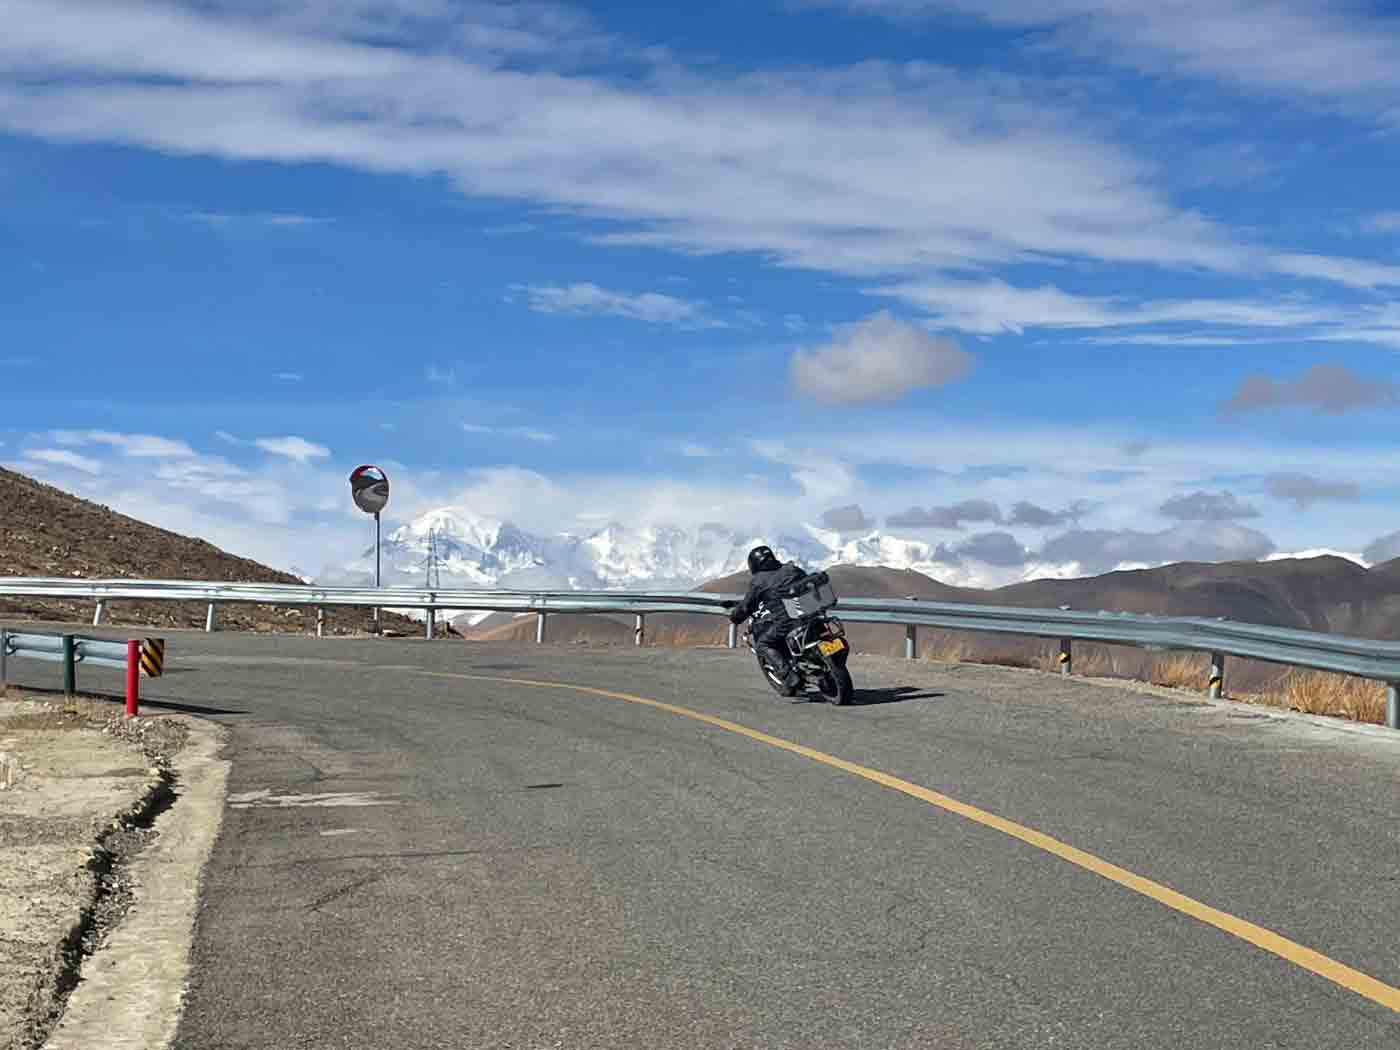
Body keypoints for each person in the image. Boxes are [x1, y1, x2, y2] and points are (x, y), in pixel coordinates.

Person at [727, 544, 807, 692]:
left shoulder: (759, 580)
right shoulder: (791, 568)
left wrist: (735, 618)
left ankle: (790, 677)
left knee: (763, 644)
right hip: (809, 613)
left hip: (788, 620)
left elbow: (747, 606)